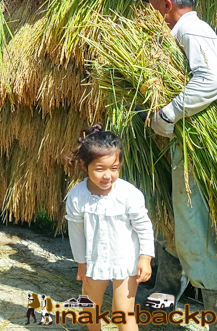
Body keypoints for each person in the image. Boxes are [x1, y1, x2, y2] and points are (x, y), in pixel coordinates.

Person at [136, 0, 217, 331]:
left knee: (198, 232)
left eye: (150, 5)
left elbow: (213, 80)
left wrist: (168, 113)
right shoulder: (178, 34)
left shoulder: (192, 31)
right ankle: (162, 304)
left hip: (198, 149)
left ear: (166, 5)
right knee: (172, 224)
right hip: (184, 144)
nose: (149, 12)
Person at [65, 125, 154, 331]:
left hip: (126, 262)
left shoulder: (128, 194)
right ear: (84, 165)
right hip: (95, 261)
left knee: (123, 312)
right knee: (89, 307)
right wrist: (82, 263)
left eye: (114, 168)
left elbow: (144, 226)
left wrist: (145, 258)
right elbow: (76, 232)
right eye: (100, 169)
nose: (108, 175)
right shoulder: (78, 196)